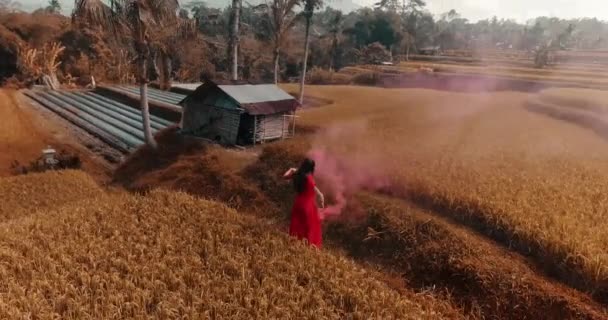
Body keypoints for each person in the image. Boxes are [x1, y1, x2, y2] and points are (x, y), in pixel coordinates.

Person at [283, 158, 325, 248]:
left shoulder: (297, 175)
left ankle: (296, 244)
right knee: (310, 227)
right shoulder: (309, 178)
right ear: (311, 168)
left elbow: (285, 176)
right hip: (308, 206)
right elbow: (316, 192)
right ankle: (309, 246)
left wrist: (291, 169)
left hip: (298, 203)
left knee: (297, 225)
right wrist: (321, 201)